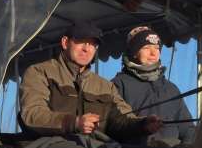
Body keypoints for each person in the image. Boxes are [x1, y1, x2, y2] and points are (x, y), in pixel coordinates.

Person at [18, 20, 161, 141]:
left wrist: (143, 125)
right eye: (81, 41)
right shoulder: (39, 72)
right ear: (65, 42)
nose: (87, 49)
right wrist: (74, 123)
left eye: (92, 44)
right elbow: (32, 115)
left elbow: (122, 120)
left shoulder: (106, 86)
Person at [111, 25, 196, 146]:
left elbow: (188, 129)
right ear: (134, 53)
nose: (153, 53)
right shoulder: (118, 84)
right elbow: (113, 126)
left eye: (157, 48)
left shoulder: (171, 88)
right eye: (146, 48)